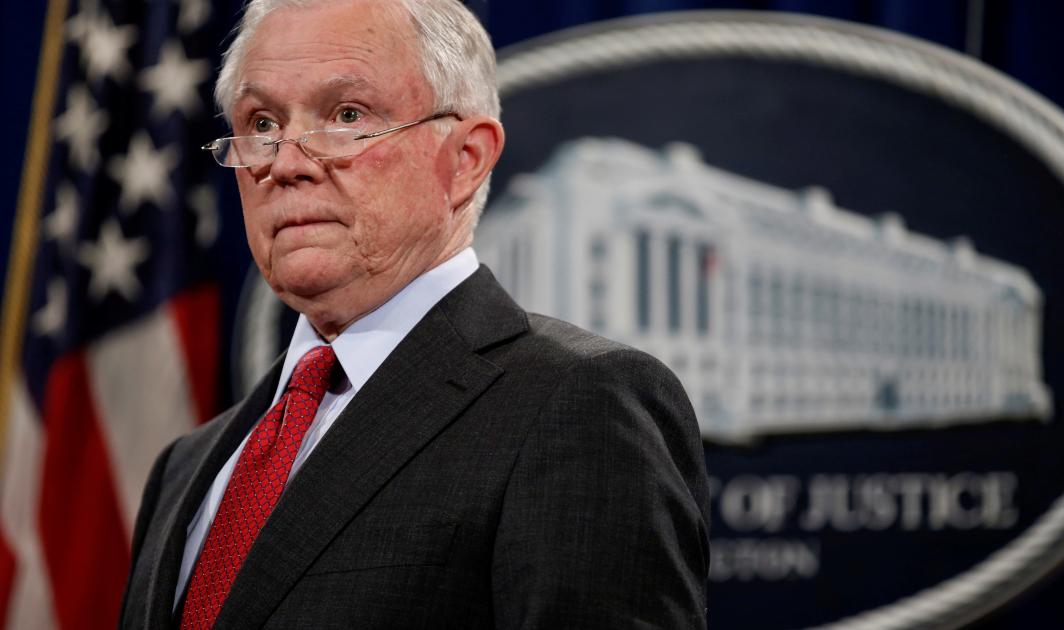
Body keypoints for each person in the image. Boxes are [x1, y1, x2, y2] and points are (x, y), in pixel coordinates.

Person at [118, 0, 710, 628]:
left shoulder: (578, 405)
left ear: (465, 159)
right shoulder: (186, 468)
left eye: (347, 115)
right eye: (262, 123)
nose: (285, 164)